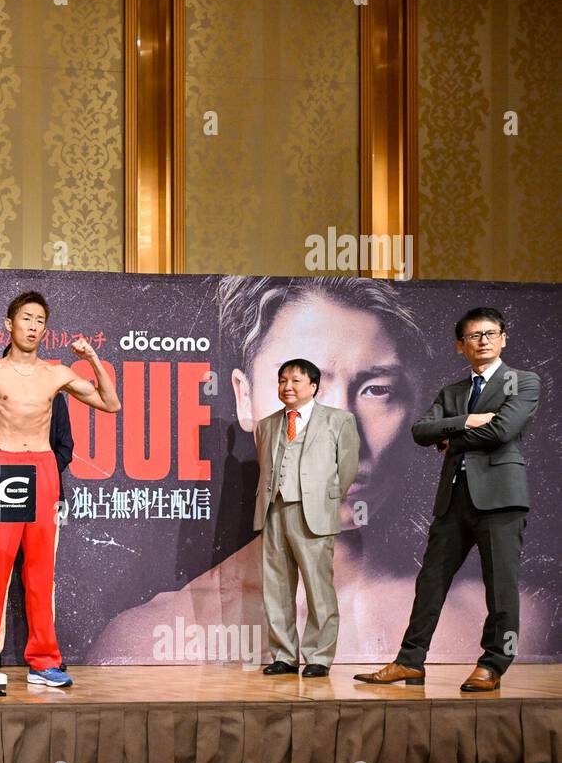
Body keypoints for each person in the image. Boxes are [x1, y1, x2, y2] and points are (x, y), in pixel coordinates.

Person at [88, 277, 549, 665]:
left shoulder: (510, 624)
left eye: (377, 390)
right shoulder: (150, 642)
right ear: (244, 399)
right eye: (301, 387)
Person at [0, 291, 121, 687]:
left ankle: (44, 661)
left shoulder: (56, 373)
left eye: (39, 321)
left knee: (40, 570)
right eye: (26, 319)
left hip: (45, 469)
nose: (33, 327)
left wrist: (92, 361)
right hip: (3, 468)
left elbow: (111, 403)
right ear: (9, 324)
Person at [354, 308, 538, 692]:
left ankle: (493, 663)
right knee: (431, 583)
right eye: (474, 335)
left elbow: (504, 430)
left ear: (503, 338)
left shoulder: (523, 382)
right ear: (460, 346)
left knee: (500, 586)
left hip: (501, 502)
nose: (483, 340)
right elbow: (421, 431)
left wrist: (451, 438)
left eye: (490, 333)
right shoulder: (453, 392)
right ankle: (409, 662)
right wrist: (469, 421)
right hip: (454, 499)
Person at [255, 358, 359, 678]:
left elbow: (348, 467)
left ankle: (319, 655)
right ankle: (284, 655)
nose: (287, 386)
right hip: (273, 510)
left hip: (312, 512)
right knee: (277, 588)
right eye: (283, 380)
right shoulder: (268, 424)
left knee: (318, 587)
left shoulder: (338, 420)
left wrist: (325, 500)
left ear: (313, 386)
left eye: (296, 381)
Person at [0, 360, 74, 669]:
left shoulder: (55, 393)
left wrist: (38, 476)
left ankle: (45, 657)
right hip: (1, 485)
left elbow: (64, 446)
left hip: (44, 489)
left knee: (42, 578)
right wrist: (12, 473)